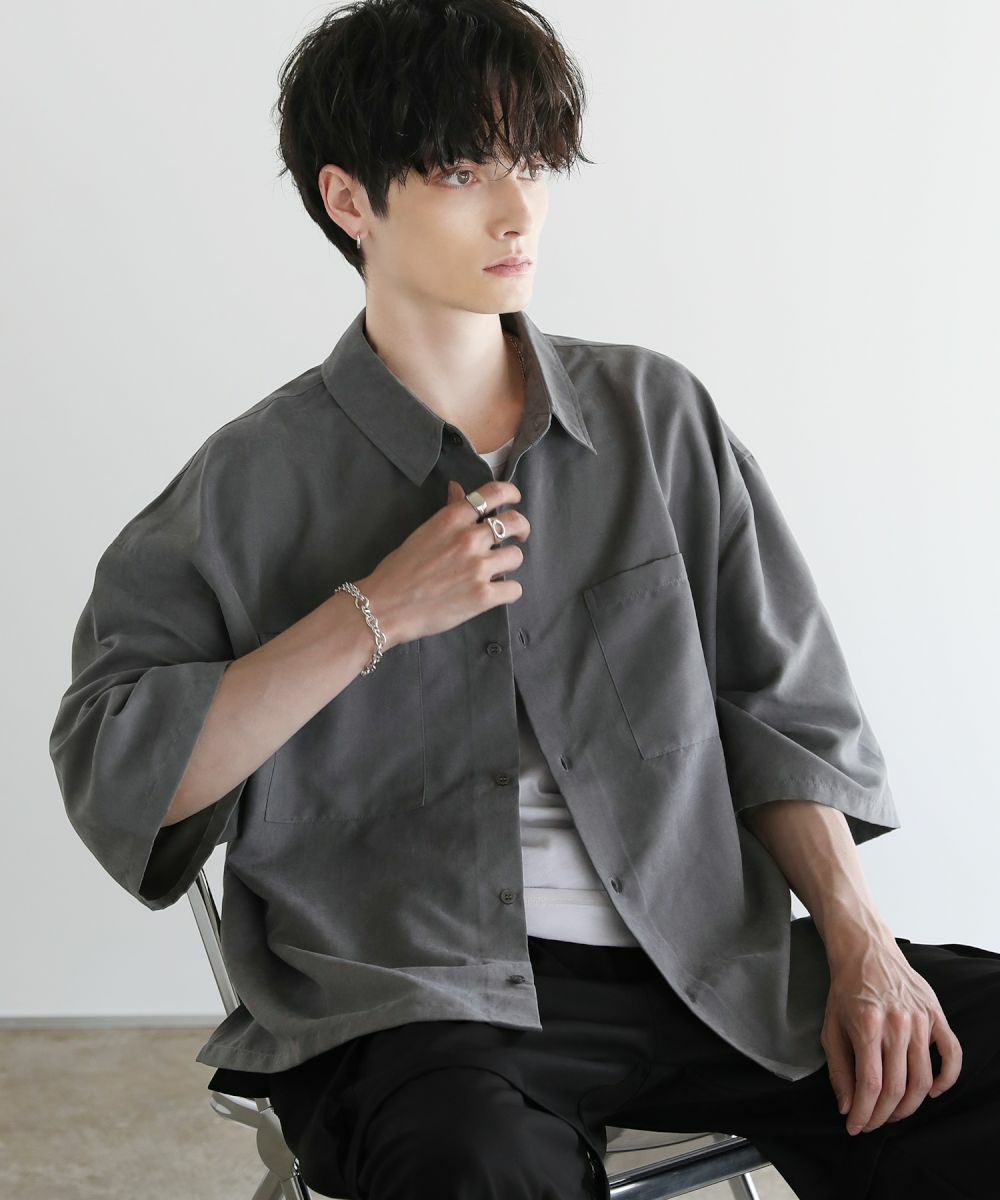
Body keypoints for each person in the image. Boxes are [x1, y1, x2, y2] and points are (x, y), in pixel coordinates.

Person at [49, 2, 1000, 1197]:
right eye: (461, 171)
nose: (518, 211)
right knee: (475, 1163)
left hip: (709, 970)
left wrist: (864, 946)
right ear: (349, 201)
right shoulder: (245, 484)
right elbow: (121, 772)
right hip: (420, 1007)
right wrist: (370, 616)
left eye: (533, 164)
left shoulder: (656, 419)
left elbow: (779, 714)